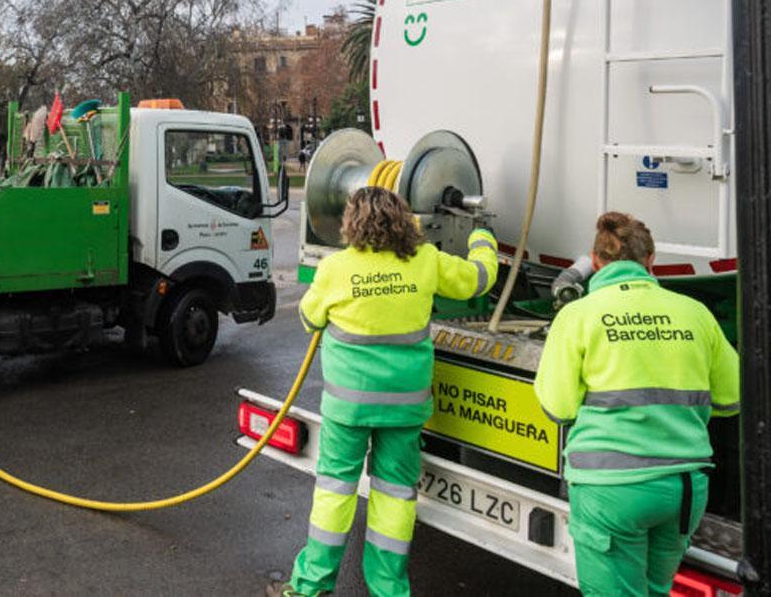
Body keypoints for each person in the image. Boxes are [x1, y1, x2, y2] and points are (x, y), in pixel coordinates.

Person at [275, 186, 498, 596]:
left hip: (349, 409)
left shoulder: (335, 267)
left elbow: (309, 318)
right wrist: (482, 236)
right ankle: (389, 590)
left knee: (335, 492)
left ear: (351, 224)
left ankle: (310, 587)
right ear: (402, 220)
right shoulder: (425, 261)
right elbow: (478, 281)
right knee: (395, 498)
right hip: (405, 409)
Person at [534, 212, 739, 596]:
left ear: (595, 262)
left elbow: (557, 407)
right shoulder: (695, 313)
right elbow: (732, 399)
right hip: (682, 489)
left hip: (611, 490)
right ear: (651, 260)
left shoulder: (578, 316)